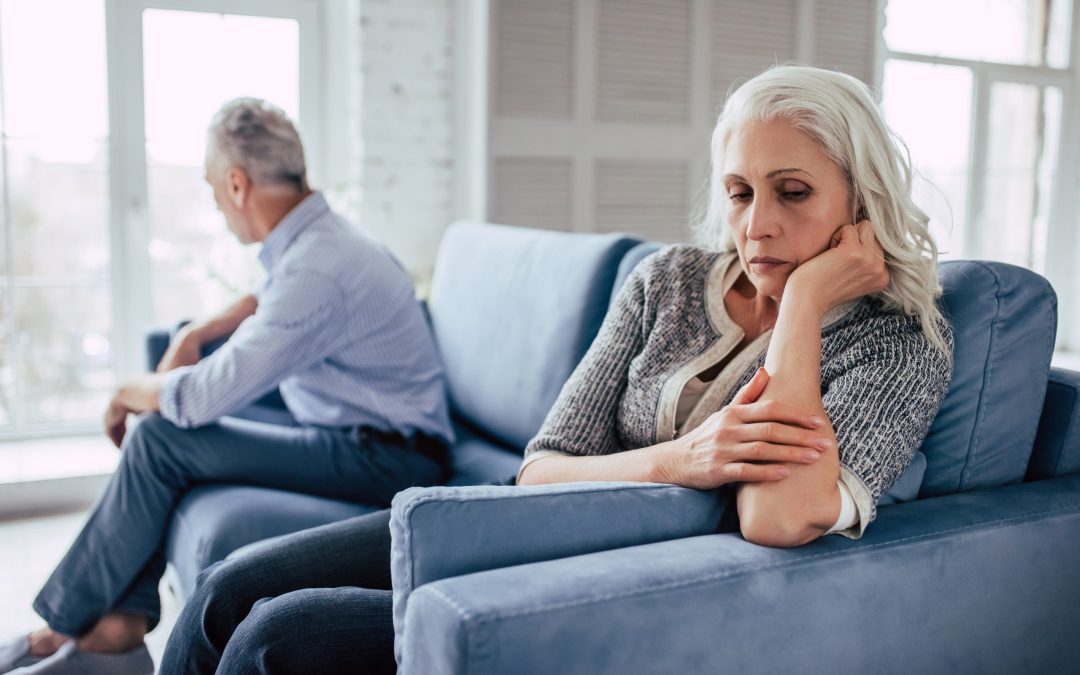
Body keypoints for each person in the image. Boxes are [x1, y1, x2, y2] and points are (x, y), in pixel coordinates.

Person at [153, 64, 953, 674]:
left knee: (273, 638)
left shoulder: (898, 343)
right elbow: (539, 469)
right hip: (508, 518)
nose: (757, 225)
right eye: (740, 193)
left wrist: (807, 303)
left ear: (861, 200)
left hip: (593, 582)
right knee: (228, 585)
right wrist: (682, 461)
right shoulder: (667, 279)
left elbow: (778, 517)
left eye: (793, 192)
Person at [0, 98, 453, 675]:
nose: (217, 207)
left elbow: (198, 397)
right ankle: (116, 625)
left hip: (388, 457)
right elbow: (270, 297)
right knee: (163, 437)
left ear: (237, 184)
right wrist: (200, 330)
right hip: (354, 432)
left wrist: (124, 391)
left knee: (162, 437)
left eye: (214, 192)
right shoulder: (321, 242)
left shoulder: (319, 264)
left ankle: (66, 627)